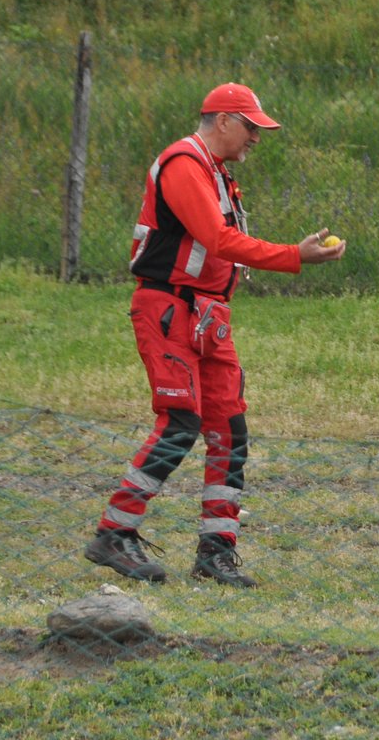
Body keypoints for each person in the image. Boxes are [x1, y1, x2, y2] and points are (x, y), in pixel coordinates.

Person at [86, 82, 345, 587]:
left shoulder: (215, 171)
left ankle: (216, 551)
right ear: (223, 120)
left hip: (207, 315)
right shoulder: (184, 162)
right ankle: (114, 532)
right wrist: (294, 257)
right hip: (168, 308)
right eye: (252, 127)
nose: (256, 138)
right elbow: (218, 239)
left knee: (230, 429)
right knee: (181, 422)